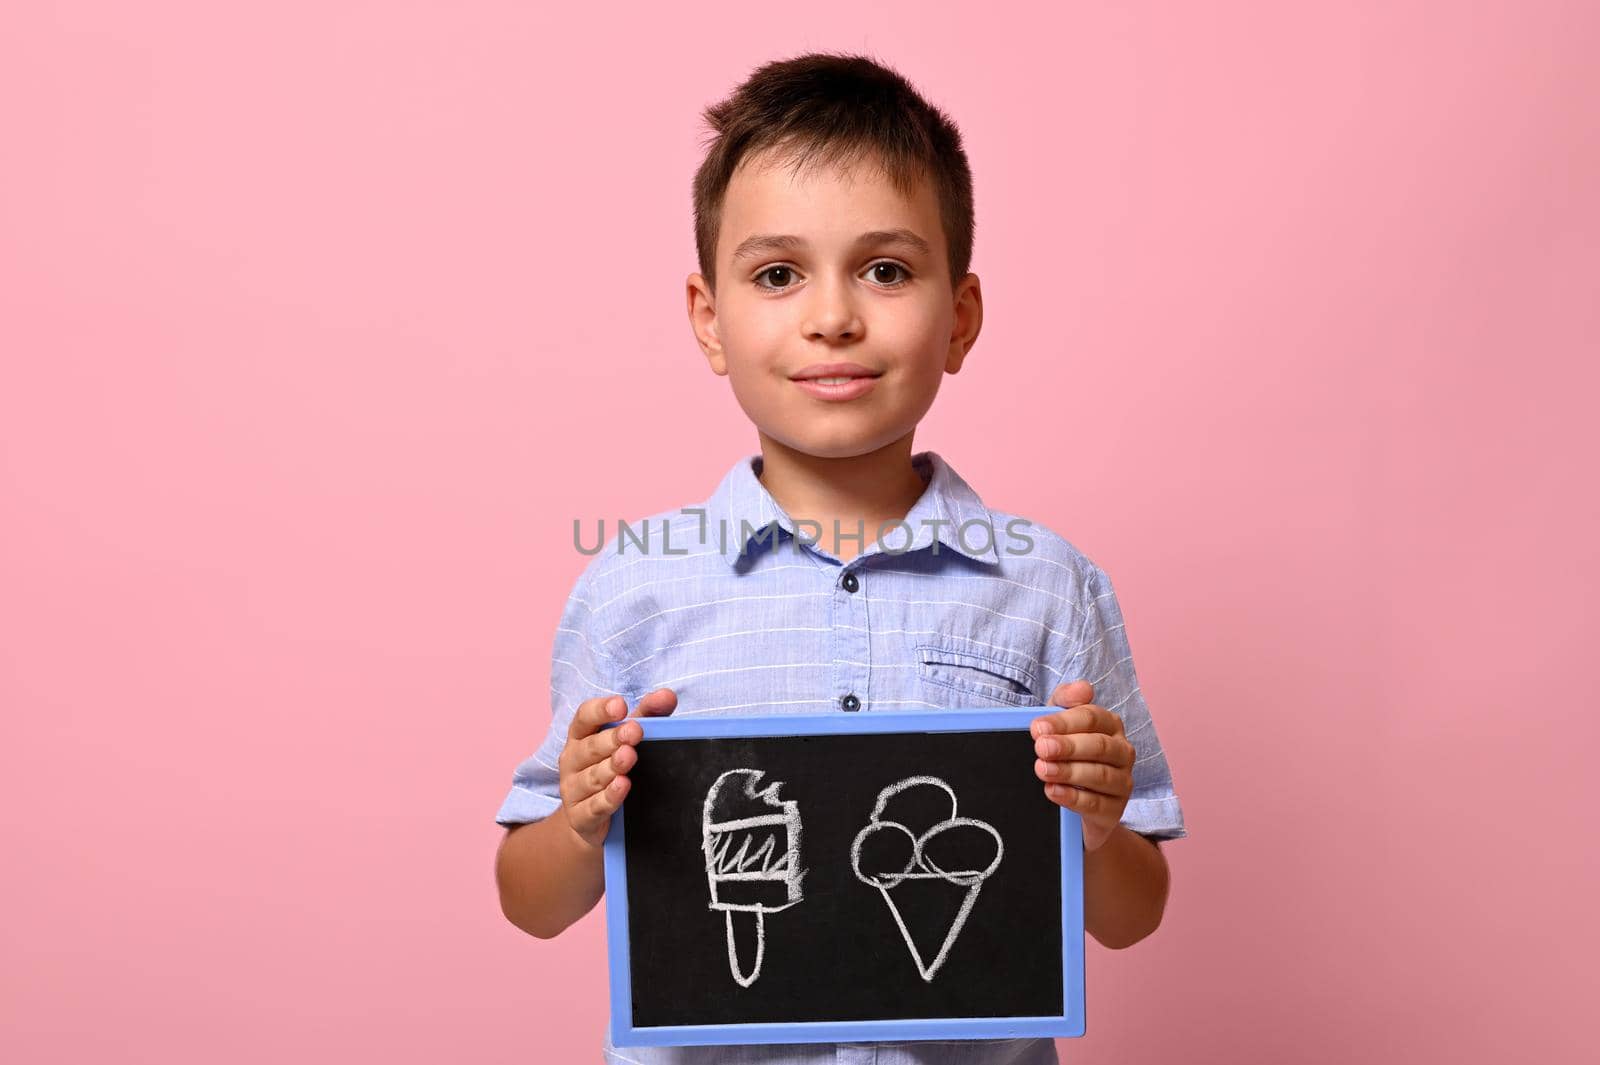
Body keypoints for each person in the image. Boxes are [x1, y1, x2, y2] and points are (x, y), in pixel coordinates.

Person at [493, 51, 1187, 1065]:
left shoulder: (1044, 586)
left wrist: (1092, 823)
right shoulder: (635, 588)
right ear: (708, 318)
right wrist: (582, 817)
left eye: (887, 269)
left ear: (958, 319)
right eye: (776, 274)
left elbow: (1132, 915)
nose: (831, 315)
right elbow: (531, 904)